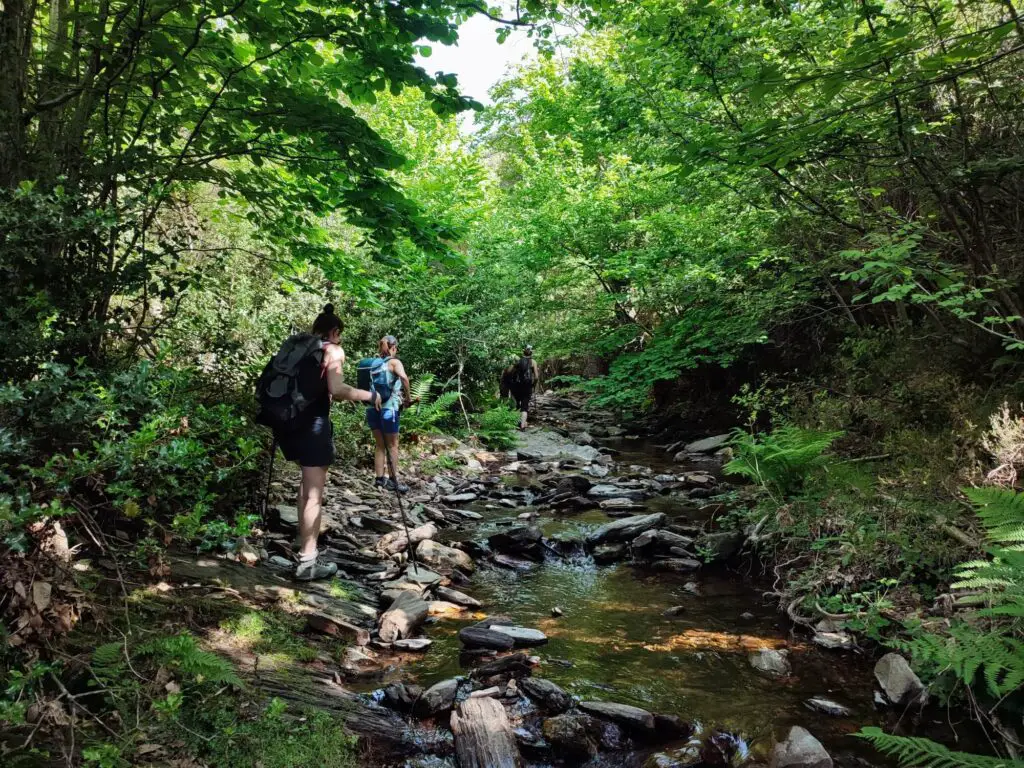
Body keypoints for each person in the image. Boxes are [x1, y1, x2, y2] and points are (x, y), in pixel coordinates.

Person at [275, 304, 381, 580]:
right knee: (313, 495)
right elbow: (337, 389)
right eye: (340, 335)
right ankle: (308, 562)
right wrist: (369, 396)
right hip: (313, 425)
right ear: (335, 331)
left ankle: (304, 553)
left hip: (288, 424)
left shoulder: (299, 347)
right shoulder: (331, 350)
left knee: (305, 488)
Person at [366, 335, 412, 493]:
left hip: (372, 408)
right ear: (394, 348)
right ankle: (393, 481)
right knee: (392, 445)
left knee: (379, 445)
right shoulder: (394, 362)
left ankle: (379, 480)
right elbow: (404, 379)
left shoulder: (373, 364)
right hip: (388, 408)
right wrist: (409, 398)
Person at [508, 345, 540, 430]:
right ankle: (522, 426)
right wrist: (533, 385)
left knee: (517, 405)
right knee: (524, 407)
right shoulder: (533, 362)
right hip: (527, 386)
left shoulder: (518, 361)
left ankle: (516, 423)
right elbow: (536, 377)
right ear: (531, 352)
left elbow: (509, 371)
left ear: (523, 352)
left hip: (517, 386)